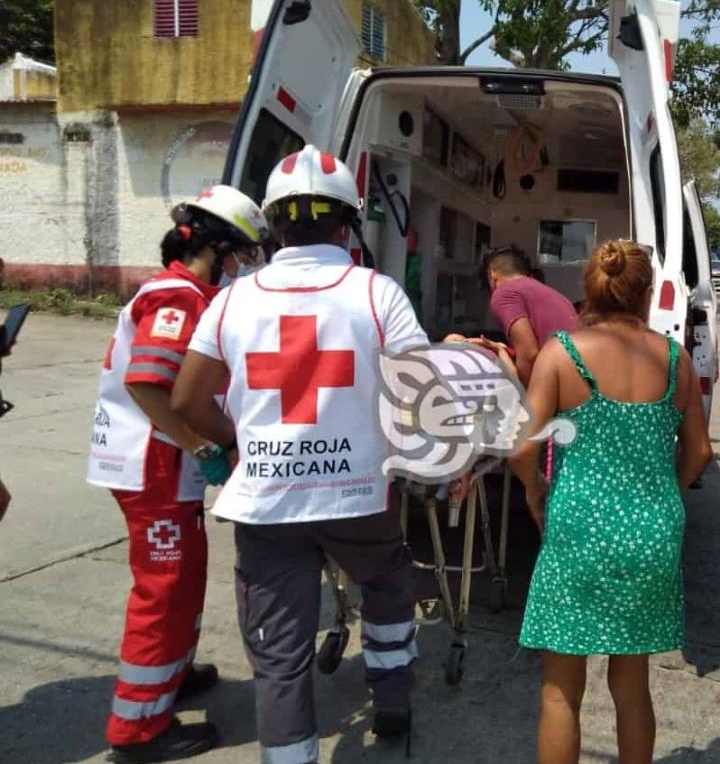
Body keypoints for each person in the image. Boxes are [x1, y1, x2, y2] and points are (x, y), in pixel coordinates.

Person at [172, 146, 429, 764]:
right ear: (347, 223)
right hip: (360, 495)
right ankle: (392, 696)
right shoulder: (377, 293)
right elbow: (420, 389)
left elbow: (185, 398)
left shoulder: (231, 299)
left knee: (280, 654)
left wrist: (240, 446)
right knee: (387, 586)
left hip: (265, 501)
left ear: (273, 225)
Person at [510, 239, 712, 764]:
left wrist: (536, 495)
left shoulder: (562, 354)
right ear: (646, 294)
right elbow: (700, 451)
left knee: (560, 690)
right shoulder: (675, 360)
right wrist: (665, 495)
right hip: (651, 534)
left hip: (577, 530)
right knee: (631, 683)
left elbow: (520, 450)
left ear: (591, 291)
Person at [86, 186, 267, 763]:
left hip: (161, 466)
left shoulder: (182, 292)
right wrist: (199, 442)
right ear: (217, 249)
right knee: (163, 592)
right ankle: (137, 730)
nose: (240, 269)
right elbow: (147, 381)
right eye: (239, 255)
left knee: (185, 577)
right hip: (153, 465)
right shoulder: (177, 297)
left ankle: (171, 676)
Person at [481, 245, 578, 384]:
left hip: (559, 389)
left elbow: (529, 353)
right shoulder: (557, 296)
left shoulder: (503, 293)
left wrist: (525, 398)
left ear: (493, 274)